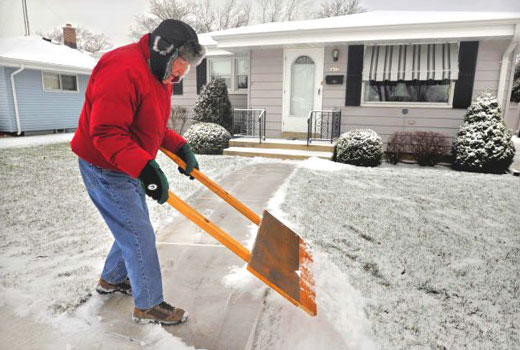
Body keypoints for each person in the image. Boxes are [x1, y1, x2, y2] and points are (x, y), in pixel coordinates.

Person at [70, 19, 205, 326]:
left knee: (133, 228)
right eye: (182, 62)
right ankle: (148, 305)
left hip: (126, 161)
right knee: (138, 233)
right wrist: (145, 168)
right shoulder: (122, 69)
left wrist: (179, 147)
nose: (183, 72)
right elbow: (105, 132)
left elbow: (150, 126)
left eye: (188, 65)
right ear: (165, 51)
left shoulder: (160, 76)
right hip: (104, 165)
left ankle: (111, 280)